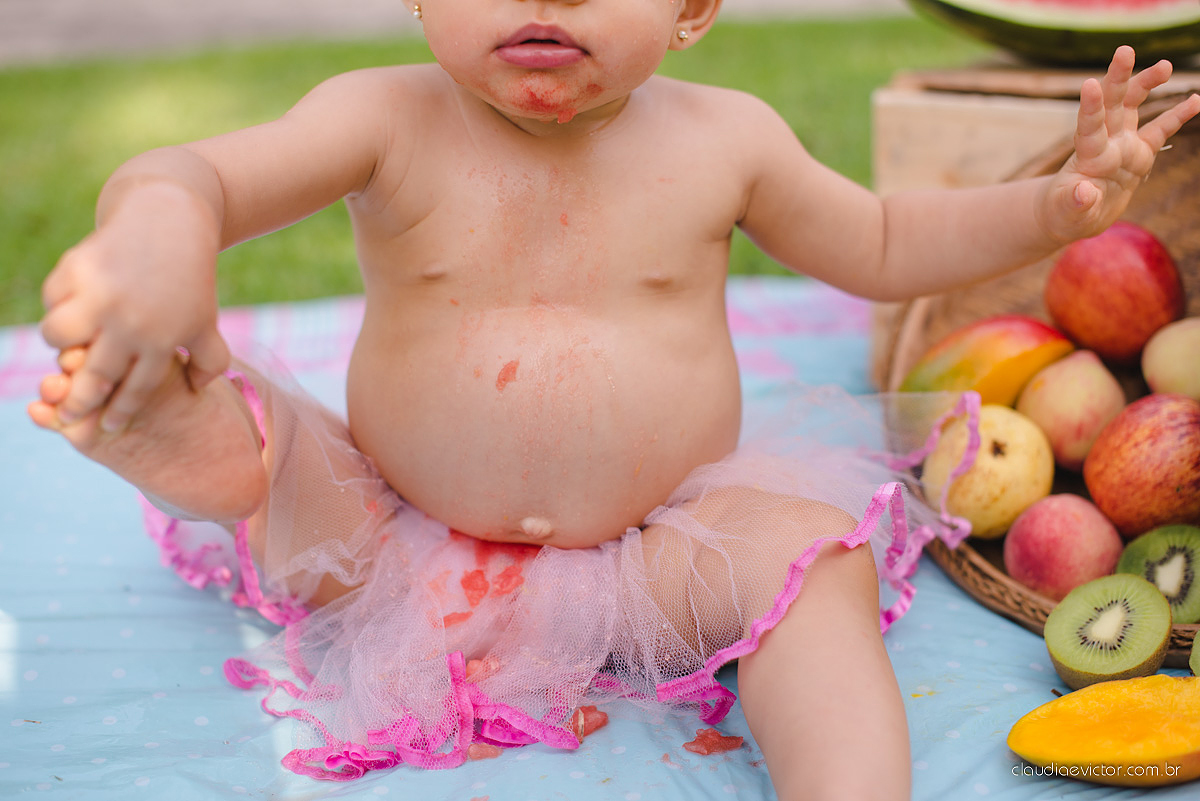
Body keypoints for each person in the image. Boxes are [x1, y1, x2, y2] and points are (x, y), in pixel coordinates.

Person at [26, 0, 1199, 793]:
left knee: (810, 562)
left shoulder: (727, 137)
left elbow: (885, 240)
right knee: (284, 447)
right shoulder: (378, 117)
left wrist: (1051, 212)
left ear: (692, 8)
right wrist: (166, 232)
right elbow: (191, 171)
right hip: (395, 533)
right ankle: (210, 445)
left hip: (663, 546)